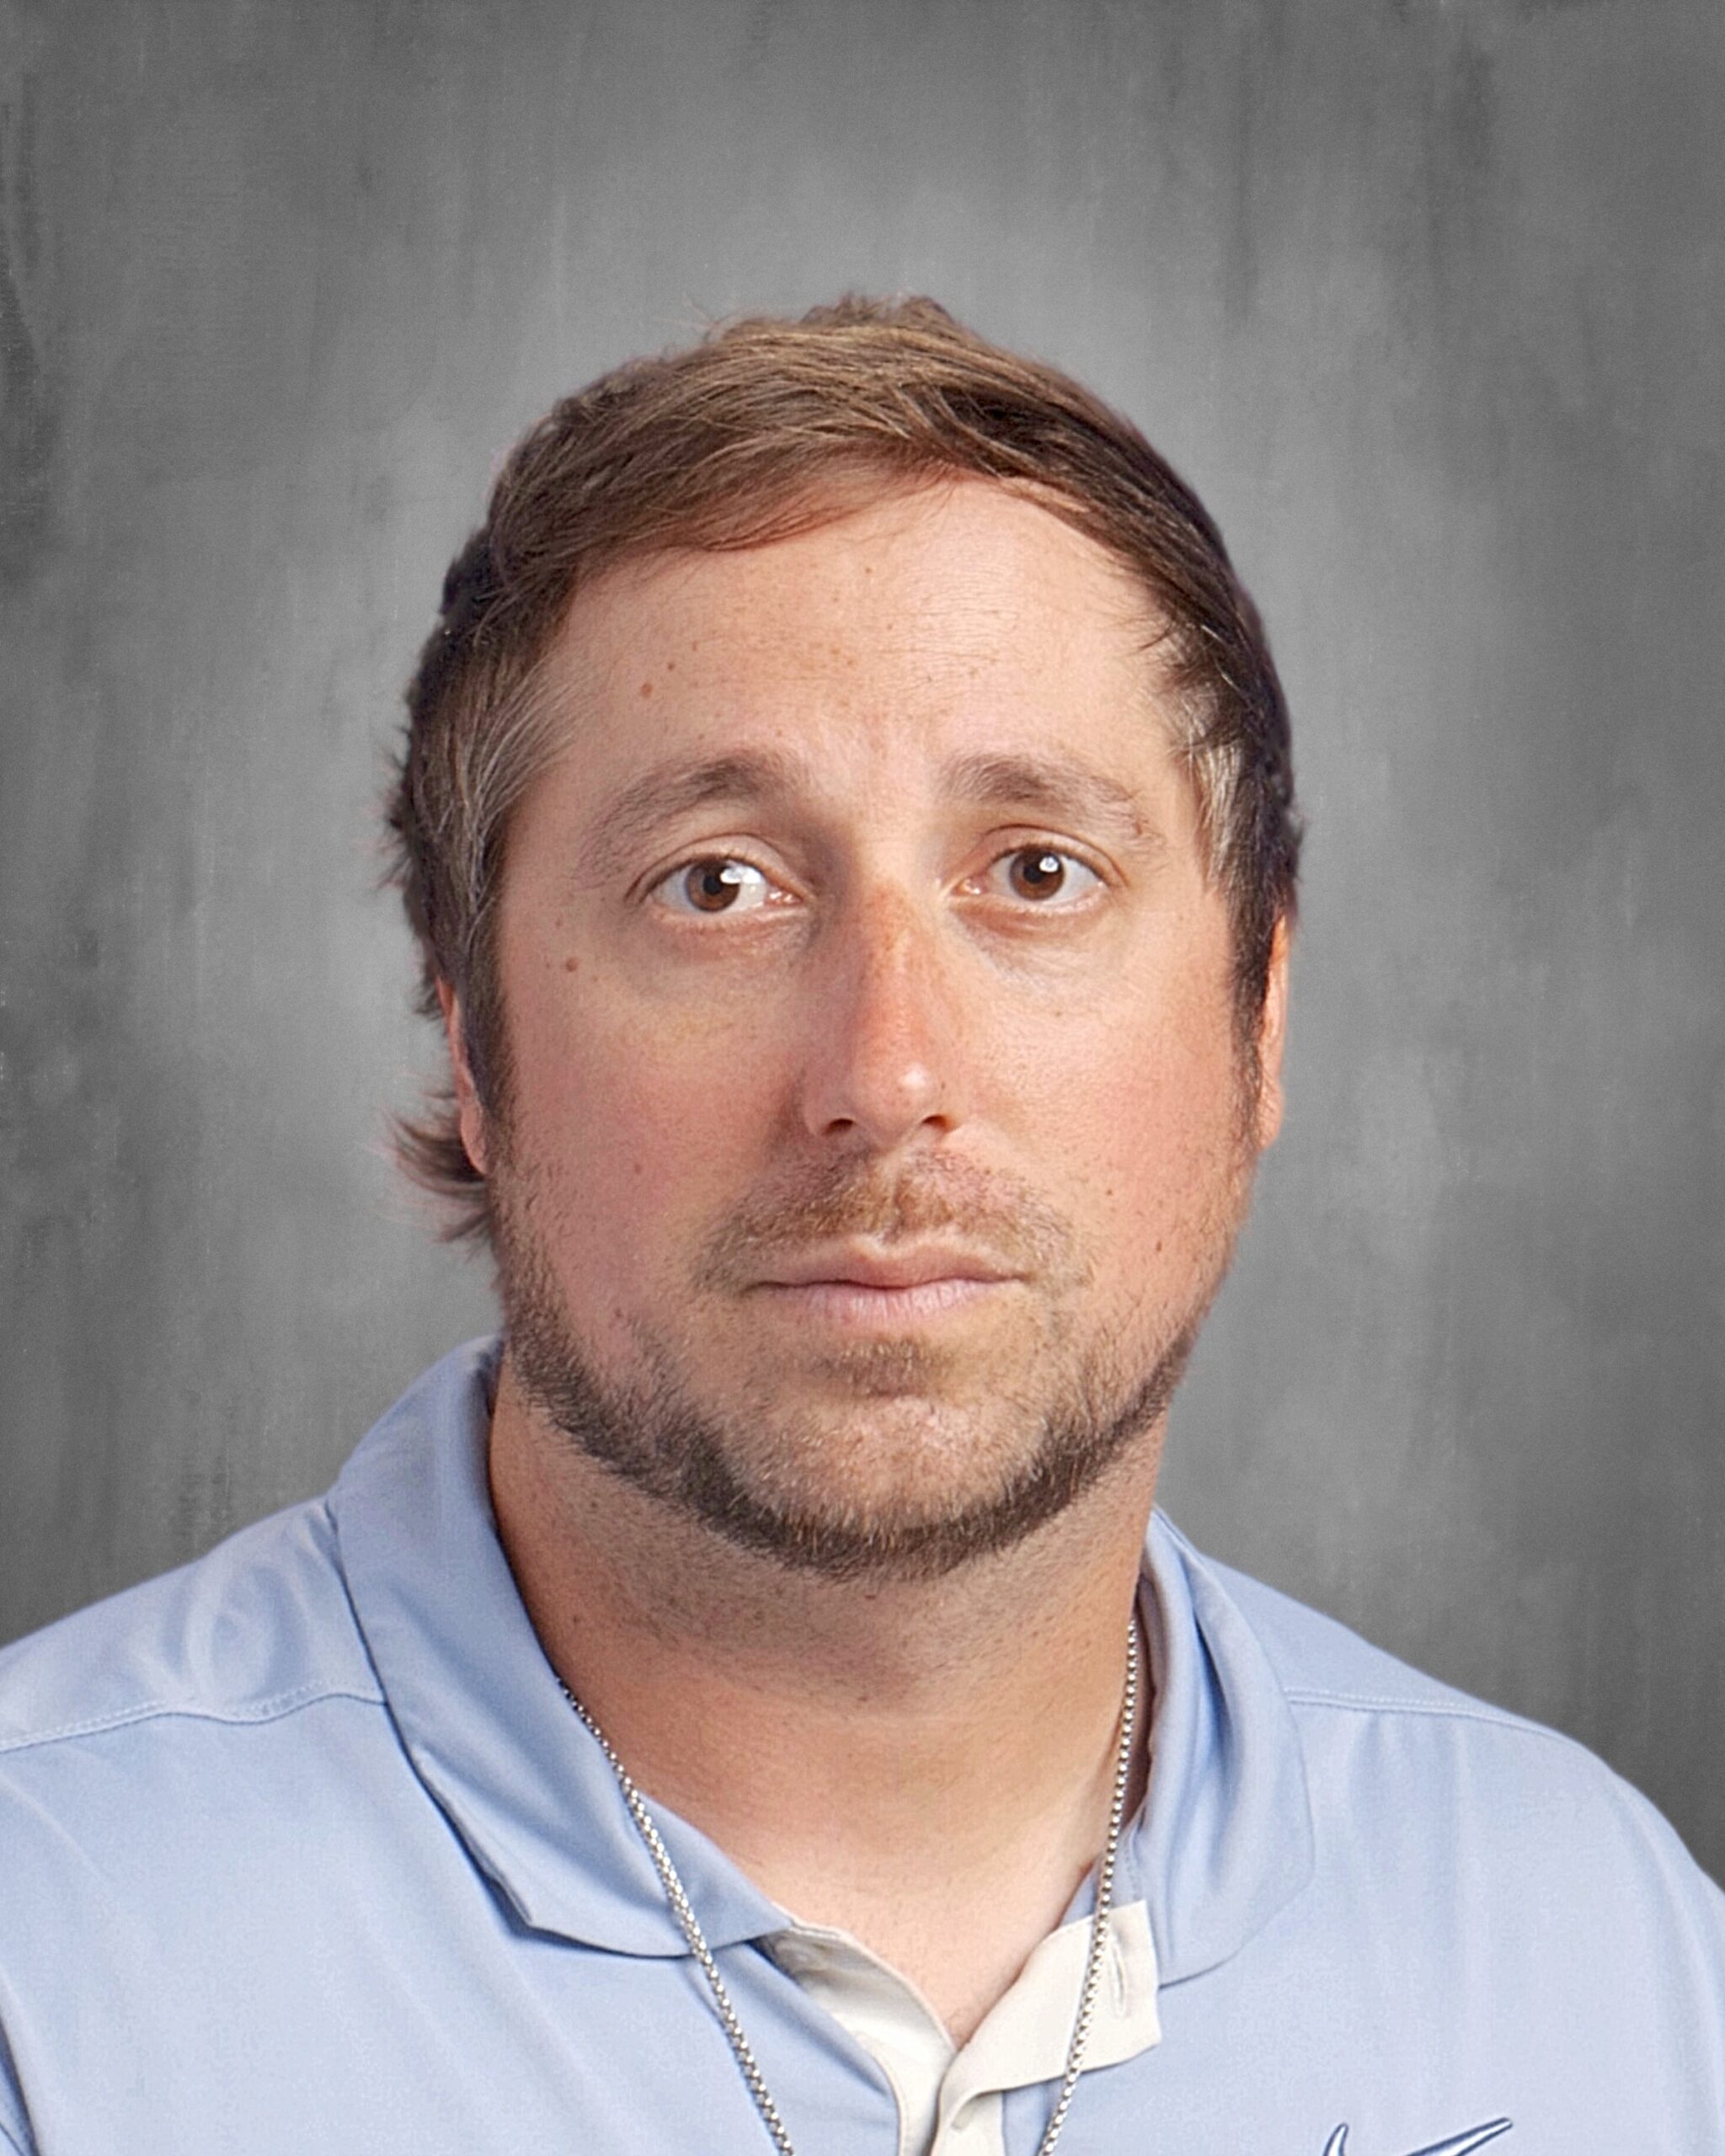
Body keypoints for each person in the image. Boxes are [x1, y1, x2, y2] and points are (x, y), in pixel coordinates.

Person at [0, 298, 1720, 2156]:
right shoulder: (48, 1957)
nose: (886, 1075)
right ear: (475, 1039)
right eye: (716, 885)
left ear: (1260, 1021)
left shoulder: (1610, 1963)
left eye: (1037, 873)